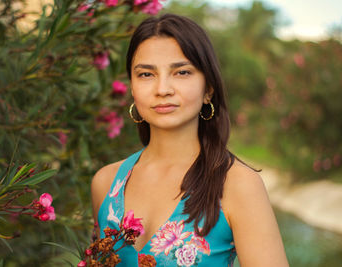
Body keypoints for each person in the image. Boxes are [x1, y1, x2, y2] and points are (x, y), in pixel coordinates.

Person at [91, 13, 289, 266]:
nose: (162, 89)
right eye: (146, 74)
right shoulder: (106, 182)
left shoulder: (238, 186)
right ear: (131, 87)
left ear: (208, 89)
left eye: (182, 72)